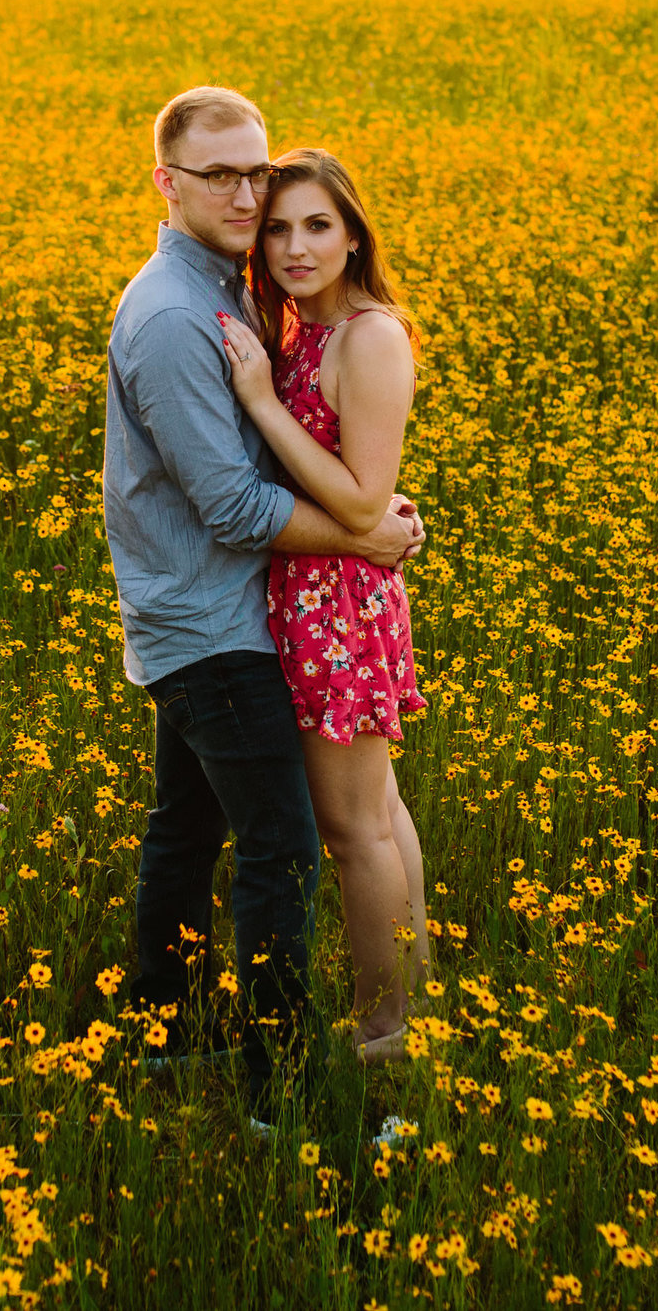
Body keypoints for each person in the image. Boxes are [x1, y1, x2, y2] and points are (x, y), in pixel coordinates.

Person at [104, 87, 425, 1126]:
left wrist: (366, 523)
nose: (254, 204)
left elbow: (342, 468)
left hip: (273, 609)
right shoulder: (176, 313)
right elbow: (241, 501)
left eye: (264, 179)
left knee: (235, 830)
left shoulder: (247, 299)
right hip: (216, 621)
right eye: (229, 181)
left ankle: (193, 1039)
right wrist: (370, 533)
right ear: (167, 182)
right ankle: (273, 1085)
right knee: (290, 845)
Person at [217, 150, 432, 1065]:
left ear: (353, 235)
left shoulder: (370, 337)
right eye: (277, 227)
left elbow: (358, 500)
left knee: (353, 832)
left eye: (316, 225)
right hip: (315, 598)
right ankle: (414, 1016)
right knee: (378, 812)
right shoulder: (306, 328)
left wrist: (262, 402)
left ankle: (386, 1035)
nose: (296, 246)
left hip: (338, 608)